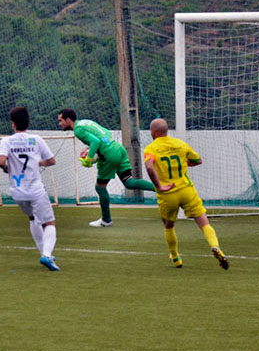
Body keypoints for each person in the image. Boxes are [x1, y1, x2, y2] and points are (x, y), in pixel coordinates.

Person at [143, 118, 229, 270]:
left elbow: (149, 167)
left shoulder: (151, 149)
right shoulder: (180, 144)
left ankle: (175, 257)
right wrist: (185, 163)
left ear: (153, 132)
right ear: (166, 130)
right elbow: (198, 160)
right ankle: (216, 247)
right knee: (204, 223)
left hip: (168, 193)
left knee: (169, 226)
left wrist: (159, 186)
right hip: (186, 190)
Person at [57, 108, 160, 227]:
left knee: (100, 188)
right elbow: (106, 133)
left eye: (61, 120)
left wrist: (89, 158)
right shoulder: (85, 122)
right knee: (129, 182)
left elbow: (95, 142)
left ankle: (106, 220)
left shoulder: (78, 130)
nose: (60, 124)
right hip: (118, 148)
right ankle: (160, 188)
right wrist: (95, 152)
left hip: (109, 154)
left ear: (68, 120)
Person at [0, 106, 60, 271]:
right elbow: (52, 160)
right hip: (35, 190)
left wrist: (6, 168)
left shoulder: (7, 141)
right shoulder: (36, 139)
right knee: (49, 222)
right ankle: (46, 255)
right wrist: (38, 162)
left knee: (33, 219)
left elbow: (1, 161)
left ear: (13, 124)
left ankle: (45, 253)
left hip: (17, 192)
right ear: (27, 122)